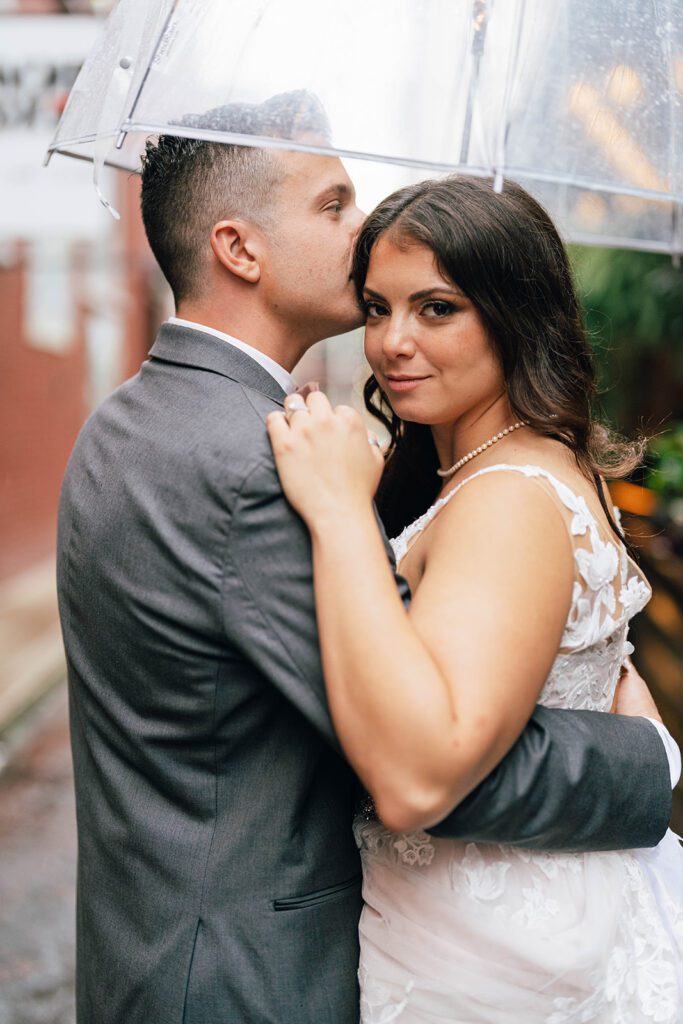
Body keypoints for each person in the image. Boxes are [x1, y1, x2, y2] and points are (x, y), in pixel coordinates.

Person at [56, 94, 677, 1024]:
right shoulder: (254, 462)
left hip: (156, 949)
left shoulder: (128, 422)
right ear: (240, 248)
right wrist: (648, 761)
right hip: (249, 976)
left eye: (434, 307)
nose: (362, 234)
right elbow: (409, 753)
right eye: (334, 204)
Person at [267, 174, 683, 1022]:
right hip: (484, 932)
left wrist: (341, 512)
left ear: (514, 312)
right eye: (377, 308)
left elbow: (420, 779)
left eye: (436, 308)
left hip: (487, 964)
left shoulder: (507, 496)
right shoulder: (494, 468)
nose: (392, 342)